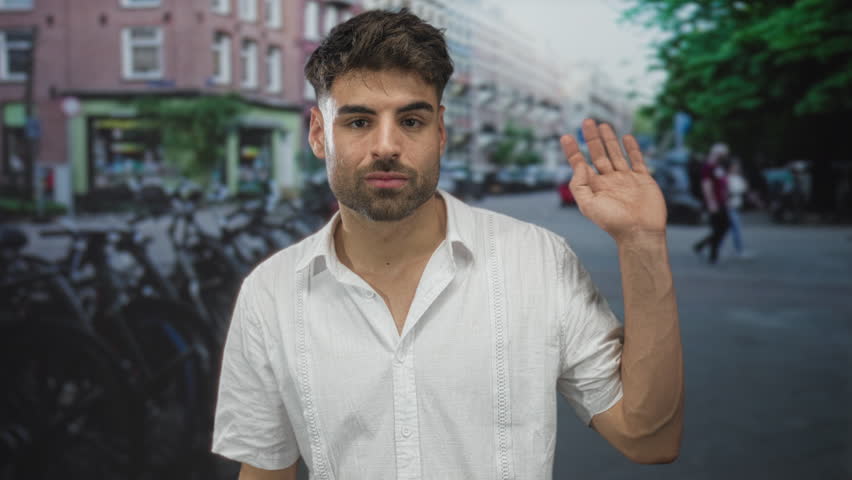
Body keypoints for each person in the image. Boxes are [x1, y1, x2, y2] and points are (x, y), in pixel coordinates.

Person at [212, 10, 683, 480]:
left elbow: (649, 438)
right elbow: (266, 471)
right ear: (318, 133)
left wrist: (641, 242)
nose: (386, 146)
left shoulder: (537, 262)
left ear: (439, 132)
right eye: (358, 122)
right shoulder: (270, 293)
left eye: (411, 121)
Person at [692, 142, 730, 264]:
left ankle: (701, 245)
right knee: (718, 228)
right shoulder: (708, 167)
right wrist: (711, 202)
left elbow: (723, 185)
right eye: (723, 154)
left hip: (721, 201)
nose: (725, 156)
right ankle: (713, 255)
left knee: (723, 227)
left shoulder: (718, 166)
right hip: (714, 202)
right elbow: (706, 186)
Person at [721, 158, 760, 259]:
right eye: (735, 165)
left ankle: (717, 248)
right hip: (729, 207)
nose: (737, 167)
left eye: (737, 166)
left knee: (725, 229)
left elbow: (746, 191)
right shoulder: (726, 178)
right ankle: (738, 250)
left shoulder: (739, 178)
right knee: (735, 229)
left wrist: (755, 200)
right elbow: (724, 192)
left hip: (736, 206)